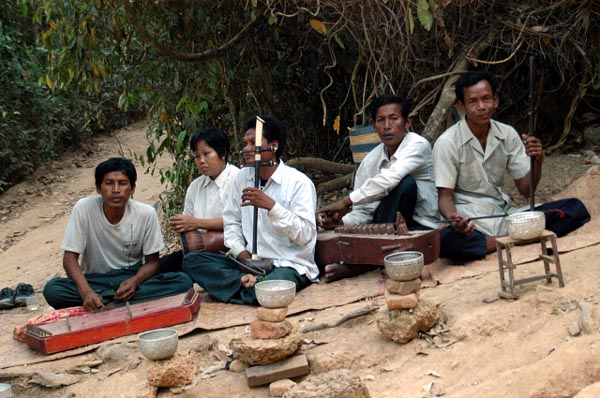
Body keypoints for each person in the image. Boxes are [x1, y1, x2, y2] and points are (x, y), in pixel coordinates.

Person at [433, 69, 590, 262]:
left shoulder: (507, 134)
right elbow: (444, 197)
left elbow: (526, 191)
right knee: (448, 242)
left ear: (495, 100)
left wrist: (538, 160)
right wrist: (454, 219)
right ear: (461, 106)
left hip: (506, 215)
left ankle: (501, 241)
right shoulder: (447, 142)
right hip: (472, 221)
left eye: (486, 99)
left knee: (575, 208)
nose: (481, 106)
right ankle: (518, 239)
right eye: (473, 101)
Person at [182, 115, 319, 305]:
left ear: (273, 146)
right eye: (245, 143)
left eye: (253, 143)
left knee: (267, 291)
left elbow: (306, 235)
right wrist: (243, 257)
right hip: (249, 263)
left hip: (287, 263)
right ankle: (247, 283)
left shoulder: (298, 183)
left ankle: (249, 287)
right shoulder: (243, 178)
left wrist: (272, 207)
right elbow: (232, 222)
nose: (246, 148)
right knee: (193, 261)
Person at [316, 93, 440, 282]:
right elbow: (364, 212)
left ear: (407, 123)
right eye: (381, 120)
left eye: (394, 119)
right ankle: (371, 258)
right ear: (374, 126)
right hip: (385, 226)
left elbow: (389, 180)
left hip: (420, 224)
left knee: (405, 184)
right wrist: (341, 222)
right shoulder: (370, 161)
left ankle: (362, 265)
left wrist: (345, 201)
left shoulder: (418, 145)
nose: (387, 126)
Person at [43, 157, 193, 311]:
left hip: (131, 277)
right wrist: (87, 292)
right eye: (109, 183)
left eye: (122, 183)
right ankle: (115, 301)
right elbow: (69, 259)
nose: (116, 190)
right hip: (96, 280)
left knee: (182, 281)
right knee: (53, 289)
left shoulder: (146, 213)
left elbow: (153, 262)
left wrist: (134, 282)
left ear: (132, 188)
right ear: (98, 188)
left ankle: (107, 302)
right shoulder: (84, 208)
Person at [159, 126, 239, 272]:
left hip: (233, 252)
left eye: (207, 154)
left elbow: (239, 221)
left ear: (222, 153)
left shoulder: (238, 180)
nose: (201, 161)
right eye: (197, 156)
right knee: (160, 267)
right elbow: (187, 223)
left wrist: (195, 223)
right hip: (199, 252)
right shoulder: (196, 186)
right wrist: (181, 224)